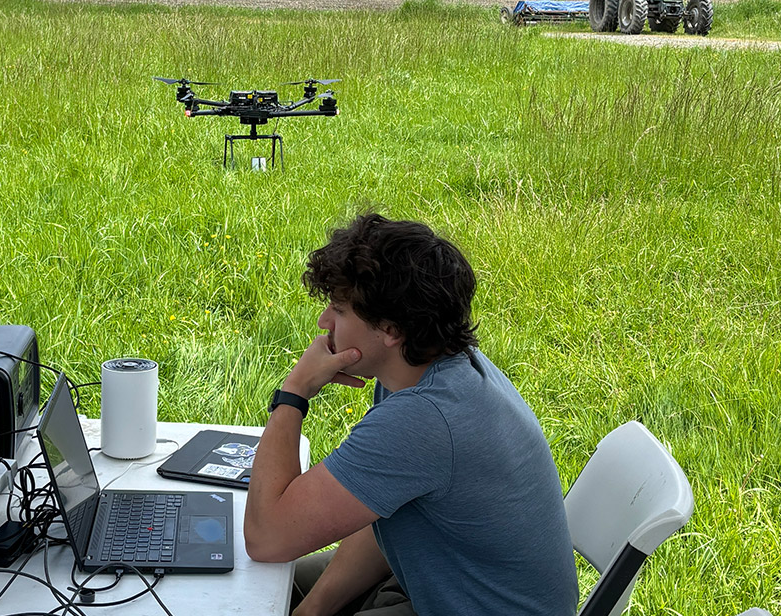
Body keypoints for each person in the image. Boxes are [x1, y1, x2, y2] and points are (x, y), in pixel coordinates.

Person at [243, 214, 578, 615]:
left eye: (338, 308)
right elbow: (379, 504)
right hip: (431, 583)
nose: (324, 322)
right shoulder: (424, 369)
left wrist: (294, 392)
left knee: (251, 593)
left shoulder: (424, 418)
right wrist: (313, 609)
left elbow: (266, 537)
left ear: (391, 329)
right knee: (254, 587)